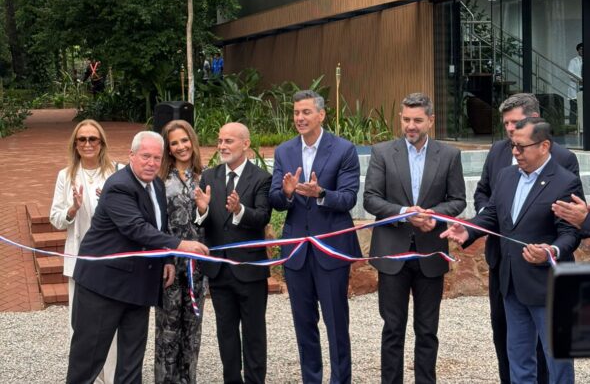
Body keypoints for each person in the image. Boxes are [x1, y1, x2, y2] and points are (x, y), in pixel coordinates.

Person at [442, 117, 582, 384]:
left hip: (548, 286)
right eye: (512, 146)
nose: (515, 152)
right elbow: (492, 214)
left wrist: (551, 251)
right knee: (518, 357)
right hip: (511, 283)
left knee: (557, 362)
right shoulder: (506, 176)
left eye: (521, 147)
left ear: (544, 146)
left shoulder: (565, 182)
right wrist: (468, 230)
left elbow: (570, 233)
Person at [66, 131, 209, 384]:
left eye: (157, 157)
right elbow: (136, 228)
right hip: (103, 286)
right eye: (145, 156)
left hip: (138, 287)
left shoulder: (156, 185)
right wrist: (180, 246)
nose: (152, 163)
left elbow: (158, 226)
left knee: (132, 363)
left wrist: (166, 259)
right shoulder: (119, 186)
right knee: (88, 360)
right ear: (131, 155)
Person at [363, 93, 466, 384]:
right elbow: (370, 198)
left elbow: (458, 200)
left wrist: (434, 214)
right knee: (392, 329)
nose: (411, 125)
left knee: (427, 330)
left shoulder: (449, 155)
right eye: (406, 119)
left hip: (430, 253)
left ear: (430, 121)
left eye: (417, 120)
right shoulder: (383, 152)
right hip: (392, 253)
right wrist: (404, 213)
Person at [269, 90, 361, 384]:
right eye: (296, 112)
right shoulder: (284, 151)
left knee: (336, 324)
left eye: (306, 112)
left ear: (321, 115)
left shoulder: (344, 149)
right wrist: (286, 193)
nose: (300, 118)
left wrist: (320, 193)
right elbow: (275, 199)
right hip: (296, 251)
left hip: (330, 249)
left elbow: (348, 197)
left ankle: (340, 380)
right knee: (304, 325)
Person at [195, 122, 272, 384]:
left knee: (254, 333)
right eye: (220, 141)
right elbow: (204, 222)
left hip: (250, 270)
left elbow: (262, 216)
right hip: (219, 271)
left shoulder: (261, 178)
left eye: (228, 141)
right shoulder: (209, 176)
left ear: (245, 144)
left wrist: (240, 210)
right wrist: (202, 210)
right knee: (225, 333)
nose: (222, 146)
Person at [50, 119, 119, 384]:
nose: (87, 144)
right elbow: (56, 218)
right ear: (75, 144)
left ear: (102, 143)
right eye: (82, 139)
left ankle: (111, 376)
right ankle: (84, 377)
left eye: (93, 139)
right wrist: (72, 209)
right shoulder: (65, 176)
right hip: (80, 259)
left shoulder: (116, 172)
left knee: (111, 322)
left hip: (110, 259)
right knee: (79, 324)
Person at [155, 120, 206, 384]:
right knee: (168, 328)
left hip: (197, 266)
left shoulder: (205, 177)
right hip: (170, 265)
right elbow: (156, 224)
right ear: (168, 148)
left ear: (192, 141)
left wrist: (204, 210)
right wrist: (164, 257)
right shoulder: (159, 180)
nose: (181, 146)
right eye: (174, 143)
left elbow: (211, 222)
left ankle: (188, 379)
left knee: (192, 329)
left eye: (184, 140)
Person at [568, 43, 584, 129]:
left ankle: (583, 127)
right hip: (575, 87)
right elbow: (570, 74)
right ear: (578, 50)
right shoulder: (573, 61)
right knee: (574, 108)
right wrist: (580, 80)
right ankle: (572, 128)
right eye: (580, 49)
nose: (582, 50)